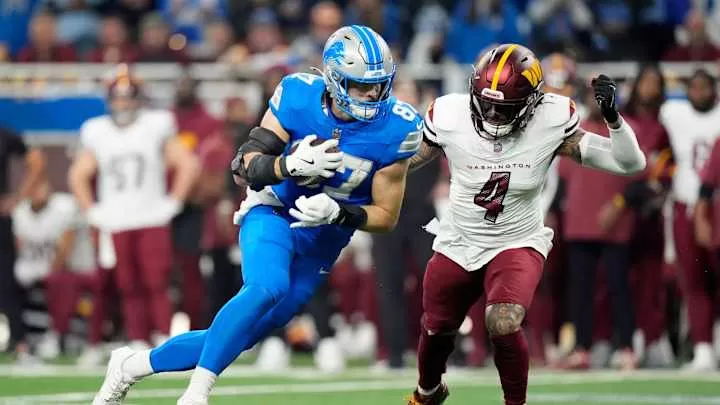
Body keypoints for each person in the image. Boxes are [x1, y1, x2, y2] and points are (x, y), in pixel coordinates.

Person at [93, 25, 422, 405]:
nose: (372, 95)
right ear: (333, 79)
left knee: (242, 332)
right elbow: (243, 165)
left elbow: (385, 217)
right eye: (360, 85)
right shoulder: (298, 95)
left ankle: (131, 366)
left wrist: (339, 212)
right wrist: (288, 166)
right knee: (267, 287)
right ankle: (197, 394)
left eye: (379, 85)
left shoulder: (397, 127)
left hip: (325, 237)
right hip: (274, 210)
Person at [404, 43, 646, 405]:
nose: (491, 115)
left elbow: (631, 163)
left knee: (502, 321)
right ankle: (428, 391)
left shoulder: (550, 121)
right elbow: (401, 164)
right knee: (437, 325)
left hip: (517, 240)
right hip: (458, 239)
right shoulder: (449, 115)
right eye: (484, 103)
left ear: (532, 102)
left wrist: (613, 118)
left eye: (503, 108)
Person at [68, 65, 199, 351]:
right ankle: (138, 338)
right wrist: (92, 210)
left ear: (139, 98)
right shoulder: (97, 131)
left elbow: (187, 163)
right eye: (118, 96)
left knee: (157, 281)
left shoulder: (155, 124)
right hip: (116, 219)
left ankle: (164, 336)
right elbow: (78, 174)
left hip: (151, 215)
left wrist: (174, 201)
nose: (123, 102)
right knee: (127, 285)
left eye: (128, 96)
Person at [661, 69, 720, 371]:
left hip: (716, 207)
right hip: (686, 204)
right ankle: (703, 349)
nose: (699, 93)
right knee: (693, 281)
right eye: (693, 87)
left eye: (704, 87)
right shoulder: (675, 112)